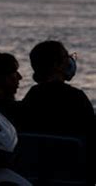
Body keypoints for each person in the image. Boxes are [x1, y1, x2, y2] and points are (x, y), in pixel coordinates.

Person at [19, 40, 95, 183]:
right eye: (66, 57)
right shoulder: (77, 98)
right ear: (56, 65)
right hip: (75, 177)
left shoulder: (31, 98)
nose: (70, 61)